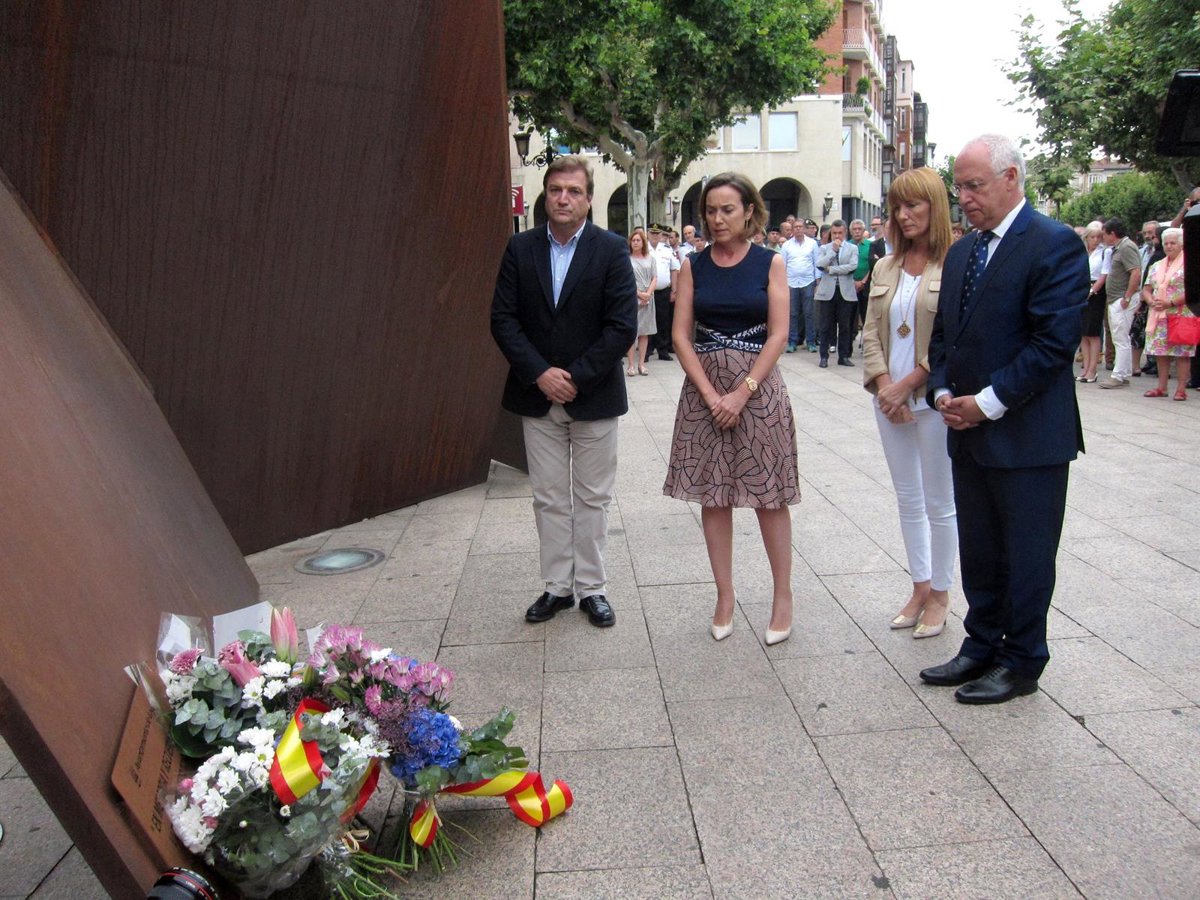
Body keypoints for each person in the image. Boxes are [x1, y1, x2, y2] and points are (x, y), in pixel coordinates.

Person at [921, 134, 1089, 704]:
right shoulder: (963, 251)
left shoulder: (1053, 244)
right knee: (980, 549)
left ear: (1012, 178)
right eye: (959, 188)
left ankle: (1021, 661)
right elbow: (945, 336)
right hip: (966, 432)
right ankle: (981, 644)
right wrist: (944, 391)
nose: (964, 198)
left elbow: (1053, 344)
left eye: (974, 186)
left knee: (1026, 554)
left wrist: (986, 403)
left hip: (1028, 437)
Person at [490, 155, 637, 629]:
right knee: (549, 498)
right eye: (556, 190)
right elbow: (503, 319)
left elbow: (622, 326)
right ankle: (557, 587)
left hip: (594, 395)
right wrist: (540, 373)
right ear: (545, 195)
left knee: (593, 498)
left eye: (574, 191)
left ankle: (592, 587)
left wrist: (574, 376)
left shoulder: (610, 249)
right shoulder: (521, 248)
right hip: (537, 397)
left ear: (589, 199)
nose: (564, 198)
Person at [662, 172, 799, 646]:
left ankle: (783, 596)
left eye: (727, 210)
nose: (718, 219)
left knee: (769, 495)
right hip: (704, 389)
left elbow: (779, 333)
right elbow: (680, 335)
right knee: (713, 494)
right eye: (710, 211)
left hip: (758, 389)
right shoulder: (692, 266)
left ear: (748, 212)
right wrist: (709, 393)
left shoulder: (770, 262)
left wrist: (742, 392)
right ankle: (724, 596)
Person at [861, 168, 957, 639]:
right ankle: (919, 586)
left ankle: (941, 592)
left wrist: (909, 385)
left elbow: (951, 339)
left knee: (940, 501)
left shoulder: (955, 263)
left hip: (932, 401)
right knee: (908, 498)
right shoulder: (885, 266)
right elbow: (870, 332)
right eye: (897, 206)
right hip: (889, 400)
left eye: (913, 205)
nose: (903, 215)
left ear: (934, 207)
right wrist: (886, 387)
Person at [1141, 227, 1193, 400]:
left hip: (1181, 313)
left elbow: (1193, 291)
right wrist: (1150, 301)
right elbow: (1146, 288)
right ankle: (1161, 387)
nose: (1169, 246)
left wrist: (1170, 303)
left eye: (1173, 243)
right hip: (1158, 314)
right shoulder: (1157, 265)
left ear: (1181, 244)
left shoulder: (1190, 264)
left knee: (1182, 353)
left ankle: (1181, 389)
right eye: (1166, 243)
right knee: (1161, 351)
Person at [1098, 218, 1142, 388]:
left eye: (1104, 234)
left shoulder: (1126, 247)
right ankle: (1123, 373)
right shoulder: (1119, 248)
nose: (1103, 238)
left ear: (1112, 234)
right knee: (1120, 337)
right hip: (1117, 298)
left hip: (1121, 298)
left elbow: (1135, 272)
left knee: (1120, 337)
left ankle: (1118, 375)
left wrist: (1127, 297)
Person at [815, 220, 859, 367]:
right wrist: (833, 251)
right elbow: (820, 265)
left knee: (845, 326)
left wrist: (832, 270)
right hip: (827, 292)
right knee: (825, 326)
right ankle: (823, 356)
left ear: (845, 232)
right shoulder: (824, 248)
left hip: (845, 291)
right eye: (834, 233)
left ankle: (844, 356)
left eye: (840, 233)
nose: (837, 236)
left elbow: (852, 267)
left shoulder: (852, 248)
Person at [780, 214, 819, 353]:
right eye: (795, 227)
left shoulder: (812, 244)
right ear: (792, 229)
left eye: (800, 227)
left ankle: (811, 342)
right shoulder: (786, 245)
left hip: (808, 281)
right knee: (793, 314)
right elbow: (783, 265)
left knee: (809, 313)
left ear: (804, 228)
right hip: (791, 282)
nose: (798, 229)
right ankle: (792, 342)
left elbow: (816, 263)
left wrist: (817, 283)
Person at [1077, 221, 1107, 384]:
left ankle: (1092, 369)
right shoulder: (1083, 252)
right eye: (1092, 237)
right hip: (1082, 289)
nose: (1095, 240)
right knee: (1083, 331)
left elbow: (1103, 275)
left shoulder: (1104, 252)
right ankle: (1085, 367)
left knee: (1093, 331)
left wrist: (1092, 291)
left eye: (1098, 237)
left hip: (1096, 293)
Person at [1135, 220, 1165, 377]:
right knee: (1144, 330)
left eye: (1151, 233)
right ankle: (1150, 361)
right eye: (1145, 233)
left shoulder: (1161, 254)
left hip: (1158, 298)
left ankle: (1156, 363)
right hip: (1143, 294)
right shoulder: (1142, 251)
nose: (1148, 236)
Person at [626, 227, 657, 377]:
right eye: (633, 240)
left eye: (638, 240)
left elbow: (654, 277)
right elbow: (625, 280)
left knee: (645, 332)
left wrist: (648, 294)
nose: (636, 242)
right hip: (632, 297)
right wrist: (639, 294)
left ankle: (641, 364)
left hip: (648, 298)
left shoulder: (651, 259)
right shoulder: (626, 259)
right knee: (632, 332)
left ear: (643, 242)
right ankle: (631, 365)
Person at [650, 225, 681, 360]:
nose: (655, 236)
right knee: (647, 321)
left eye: (657, 233)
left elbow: (674, 269)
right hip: (647, 292)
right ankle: (647, 350)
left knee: (663, 321)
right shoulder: (644, 248)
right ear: (648, 234)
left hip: (663, 290)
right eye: (652, 233)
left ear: (660, 235)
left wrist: (674, 290)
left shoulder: (667, 250)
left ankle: (663, 350)